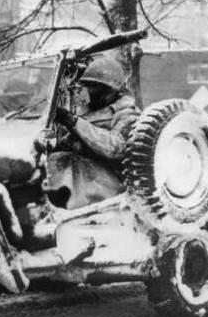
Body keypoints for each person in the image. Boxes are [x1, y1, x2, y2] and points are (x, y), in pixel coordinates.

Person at [43, 56, 141, 210]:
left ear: (111, 89)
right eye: (88, 86)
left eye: (96, 87)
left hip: (110, 183)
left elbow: (117, 147)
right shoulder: (88, 111)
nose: (90, 92)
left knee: (69, 161)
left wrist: (73, 122)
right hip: (81, 178)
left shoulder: (127, 113)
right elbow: (73, 142)